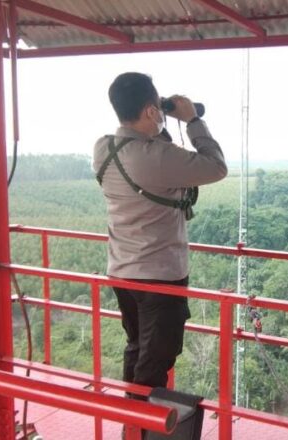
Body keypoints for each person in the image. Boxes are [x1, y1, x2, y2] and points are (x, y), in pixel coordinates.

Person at [93, 72, 227, 398]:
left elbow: (157, 157)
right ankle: (141, 428)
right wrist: (192, 119)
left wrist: (160, 120)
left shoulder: (103, 148)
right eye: (157, 109)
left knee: (137, 348)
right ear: (152, 110)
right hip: (160, 278)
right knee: (156, 362)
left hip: (123, 273)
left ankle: (132, 424)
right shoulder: (155, 156)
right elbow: (216, 166)